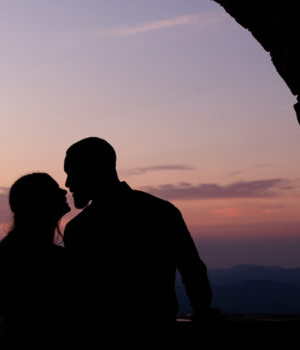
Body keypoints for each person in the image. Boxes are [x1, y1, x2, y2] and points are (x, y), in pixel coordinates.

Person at [62, 137, 218, 328]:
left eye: (73, 174)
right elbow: (192, 269)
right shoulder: (161, 211)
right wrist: (201, 310)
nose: (68, 183)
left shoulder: (79, 229)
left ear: (94, 171)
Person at [0, 172, 73, 345]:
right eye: (53, 190)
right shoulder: (26, 248)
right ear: (37, 203)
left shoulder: (17, 245)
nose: (63, 192)